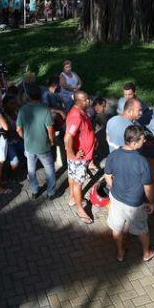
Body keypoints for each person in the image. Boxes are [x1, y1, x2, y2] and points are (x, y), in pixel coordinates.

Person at [104, 125, 154, 263]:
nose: (144, 142)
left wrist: (114, 189)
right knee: (141, 229)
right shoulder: (142, 162)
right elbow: (148, 188)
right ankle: (146, 254)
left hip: (116, 199)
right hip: (135, 204)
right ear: (134, 143)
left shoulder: (113, 154)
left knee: (117, 227)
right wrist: (151, 202)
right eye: (142, 140)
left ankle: (120, 253)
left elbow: (107, 176)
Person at [16, 84, 57, 200]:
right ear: (40, 96)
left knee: (31, 170)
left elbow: (18, 129)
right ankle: (51, 192)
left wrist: (25, 138)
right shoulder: (45, 110)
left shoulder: (23, 110)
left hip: (29, 147)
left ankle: (34, 191)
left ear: (28, 96)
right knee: (49, 169)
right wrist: (52, 141)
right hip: (44, 146)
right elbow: (50, 130)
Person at [64, 91, 96, 223]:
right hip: (80, 158)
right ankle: (80, 209)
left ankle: (72, 197)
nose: (88, 102)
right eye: (85, 100)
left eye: (88, 99)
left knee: (72, 177)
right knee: (79, 182)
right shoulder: (76, 116)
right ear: (77, 101)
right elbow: (67, 137)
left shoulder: (79, 111)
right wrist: (73, 153)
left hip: (79, 157)